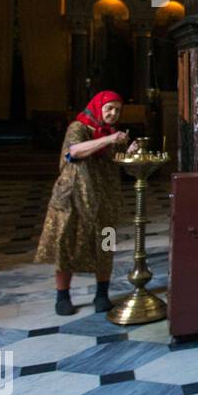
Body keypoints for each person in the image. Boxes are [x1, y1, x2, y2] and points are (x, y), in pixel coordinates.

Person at [35, 90, 139, 315]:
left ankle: (102, 294)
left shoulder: (113, 133)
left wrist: (130, 150)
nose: (112, 113)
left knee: (105, 245)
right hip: (73, 198)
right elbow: (74, 152)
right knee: (66, 243)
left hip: (105, 200)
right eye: (109, 108)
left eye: (117, 110)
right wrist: (110, 139)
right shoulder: (79, 127)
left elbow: (121, 161)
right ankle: (62, 296)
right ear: (97, 107)